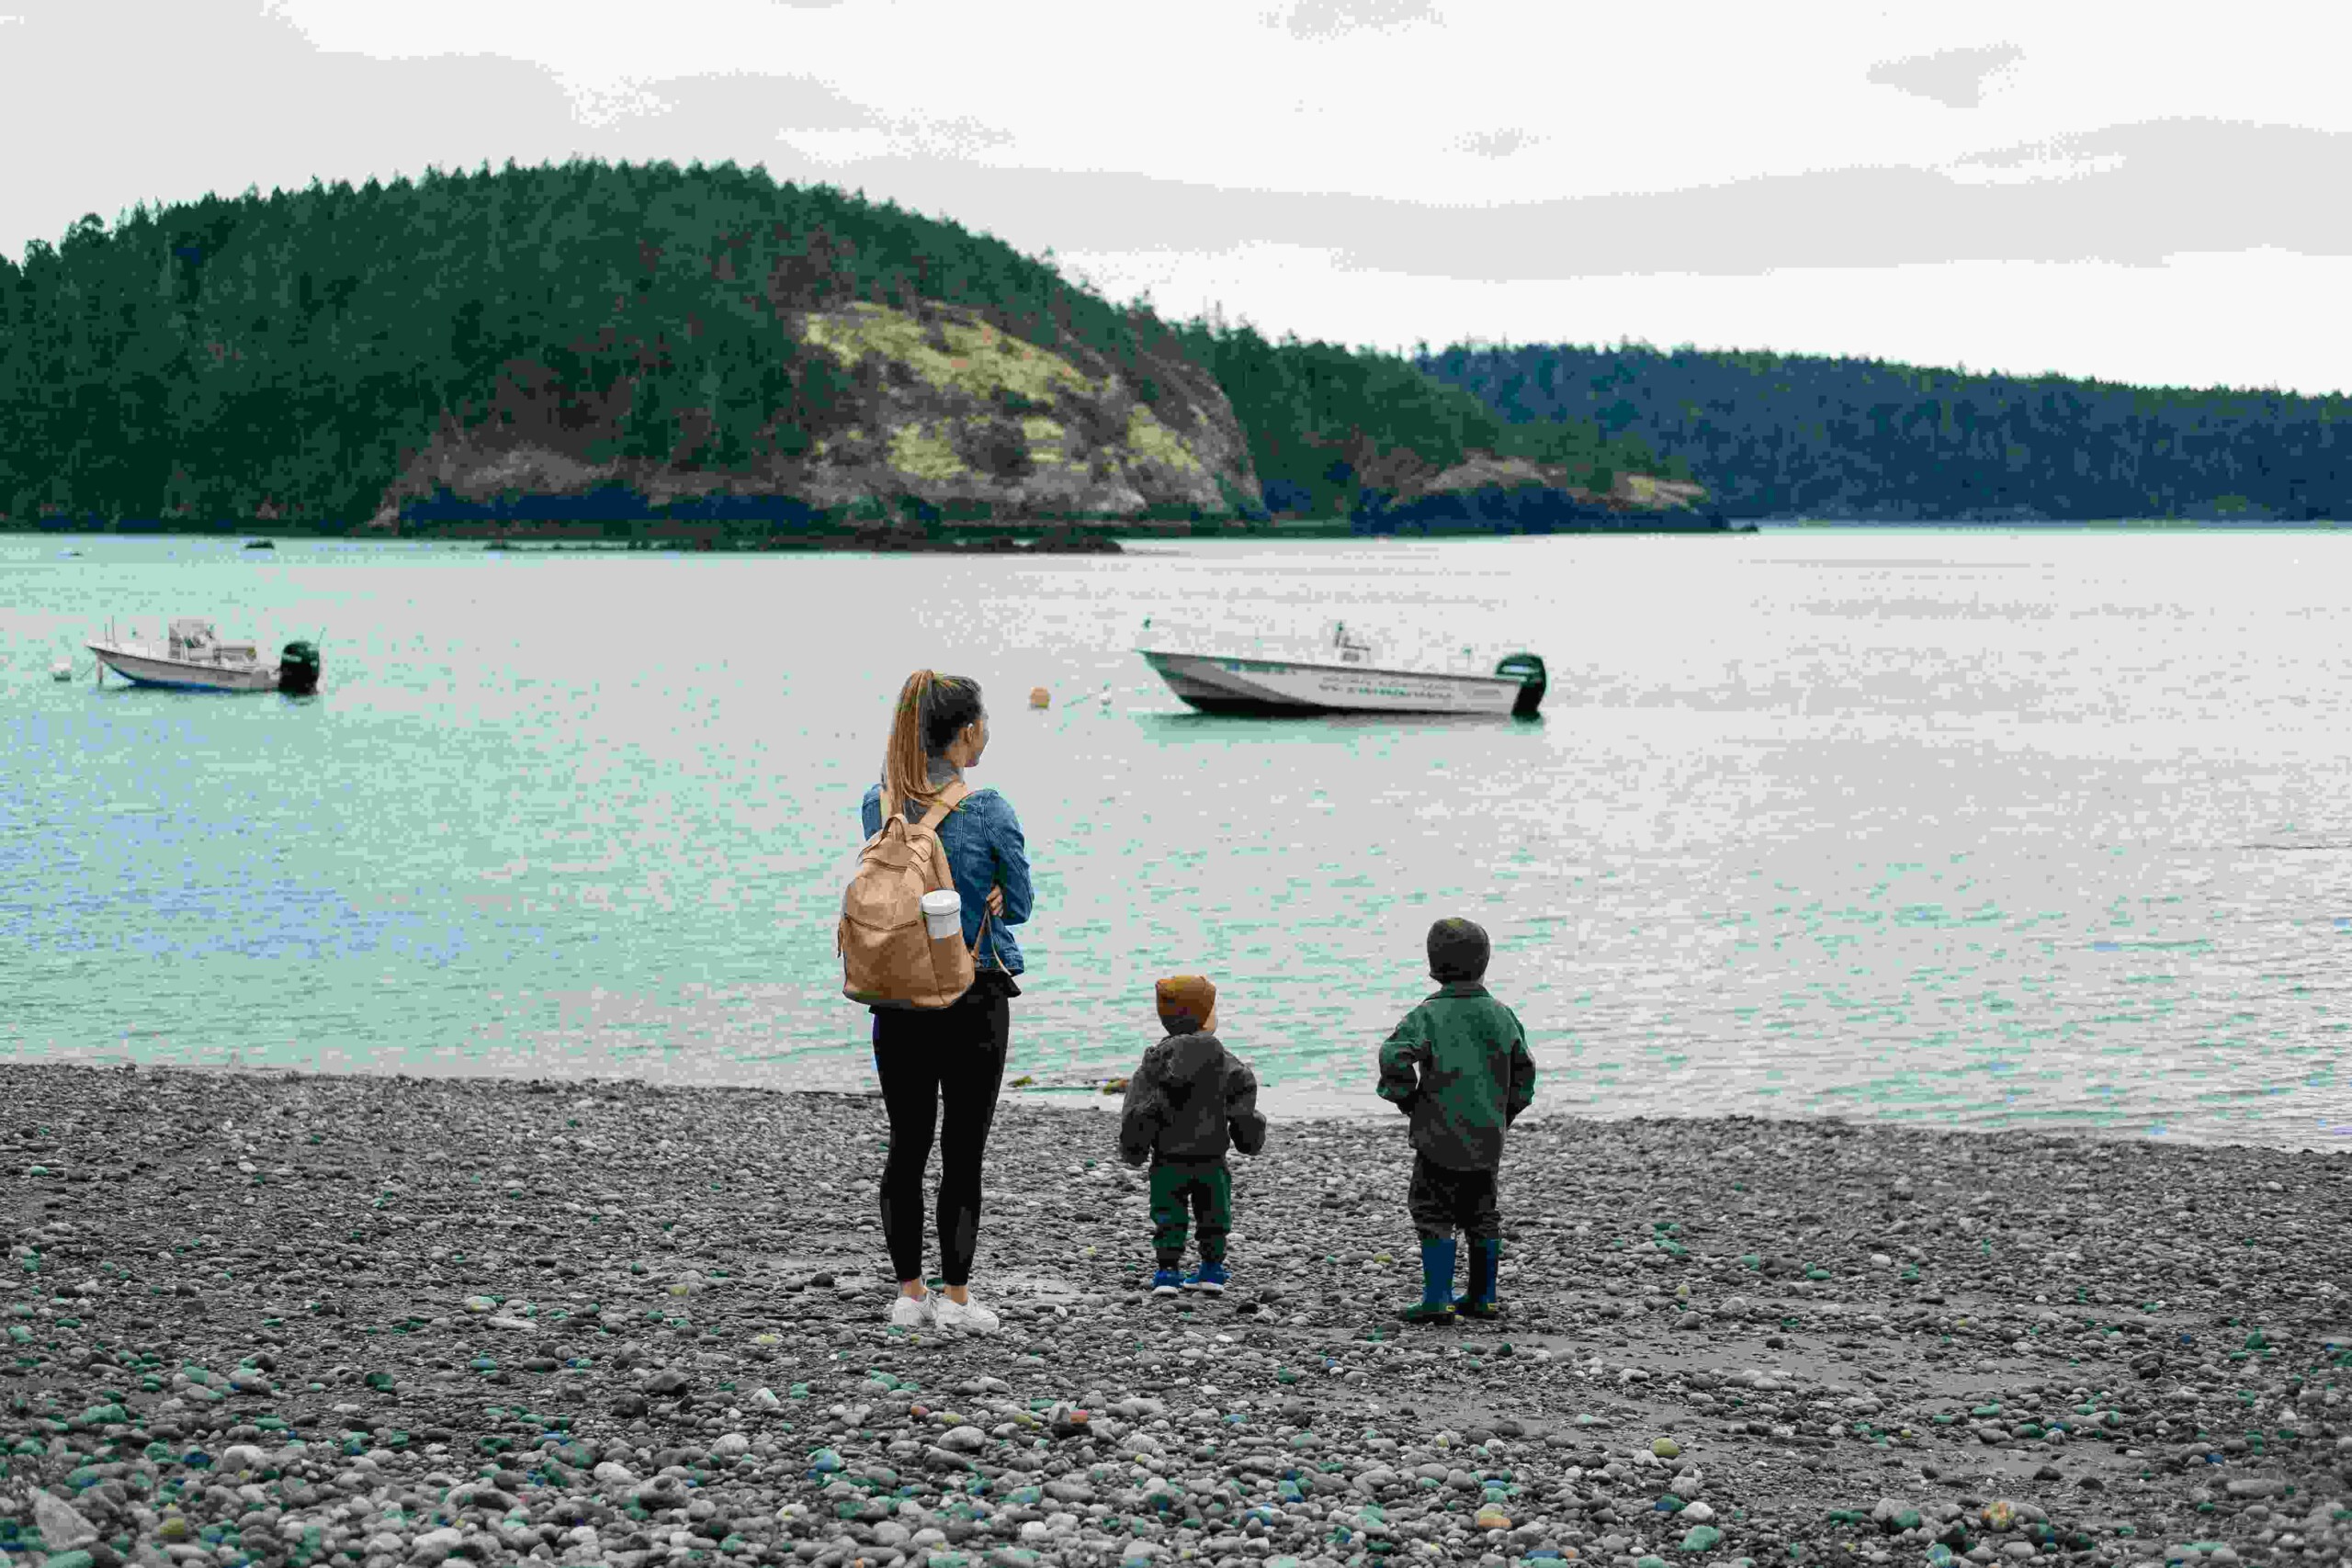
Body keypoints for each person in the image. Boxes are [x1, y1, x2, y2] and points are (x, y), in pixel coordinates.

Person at [859, 671, 1033, 1334]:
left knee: (907, 1143)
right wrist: (989, 895)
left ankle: (909, 1294)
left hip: (897, 996)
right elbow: (1017, 904)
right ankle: (957, 1298)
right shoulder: (990, 809)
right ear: (967, 731)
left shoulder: (879, 802)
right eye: (984, 721)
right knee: (963, 1149)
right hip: (972, 994)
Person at [1376, 917, 1535, 1323]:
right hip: (1486, 1135)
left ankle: (1439, 1299)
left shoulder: (1426, 1016)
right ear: (1484, 964)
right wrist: (1503, 1113)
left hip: (1437, 1135)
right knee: (1482, 1213)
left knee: (1432, 1210)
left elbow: (1394, 1056)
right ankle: (1483, 1297)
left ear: (1432, 967)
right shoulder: (1502, 1015)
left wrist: (1407, 1100)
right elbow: (1524, 1074)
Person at [1117, 975, 1267, 1296]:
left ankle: (1167, 1272)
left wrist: (1134, 1149)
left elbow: (1137, 1109)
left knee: (1168, 1215)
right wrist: (1249, 1139)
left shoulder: (1154, 1063)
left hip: (1167, 1158)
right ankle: (1211, 1269)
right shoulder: (1227, 1062)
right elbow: (1243, 1107)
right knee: (1214, 1214)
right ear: (1204, 1017)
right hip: (1212, 1158)